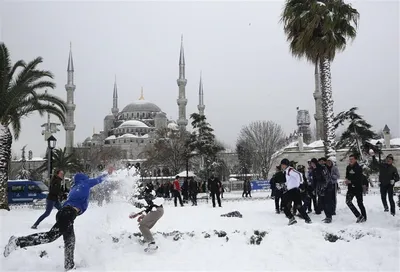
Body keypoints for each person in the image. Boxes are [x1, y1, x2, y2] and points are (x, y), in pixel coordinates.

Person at [4, 166, 115, 271]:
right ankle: (18, 241)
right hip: (68, 214)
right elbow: (98, 179)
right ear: (84, 178)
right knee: (50, 237)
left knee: (70, 240)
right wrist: (108, 173)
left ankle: (69, 265)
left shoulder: (75, 187)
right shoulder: (85, 183)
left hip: (65, 213)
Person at [129, 183, 164, 251]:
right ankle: (146, 239)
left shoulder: (148, 194)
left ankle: (152, 243)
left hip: (157, 210)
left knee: (142, 225)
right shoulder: (151, 194)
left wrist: (138, 215)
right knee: (145, 226)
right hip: (159, 211)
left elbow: (151, 207)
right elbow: (150, 207)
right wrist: (141, 215)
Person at [280, 159, 311, 225]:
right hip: (294, 190)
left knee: (283, 204)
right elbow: (291, 180)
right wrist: (285, 185)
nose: (282, 166)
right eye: (282, 165)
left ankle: (291, 218)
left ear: (286, 165)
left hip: (293, 190)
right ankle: (307, 219)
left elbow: (299, 174)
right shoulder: (287, 171)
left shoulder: (290, 170)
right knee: (298, 206)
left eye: (283, 165)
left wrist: (301, 183)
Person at [344, 154, 367, 223]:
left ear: (355, 160)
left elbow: (359, 179)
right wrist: (346, 180)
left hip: (358, 188)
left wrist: (351, 181)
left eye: (352, 159)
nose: (350, 160)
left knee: (360, 203)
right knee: (348, 201)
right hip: (350, 188)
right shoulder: (348, 167)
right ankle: (359, 216)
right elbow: (347, 175)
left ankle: (364, 217)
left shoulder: (358, 168)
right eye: (350, 159)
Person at [310, 158, 333, 223]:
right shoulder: (314, 170)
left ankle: (329, 216)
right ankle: (327, 216)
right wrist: (314, 189)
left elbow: (327, 178)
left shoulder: (322, 168)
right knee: (322, 202)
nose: (312, 165)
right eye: (311, 164)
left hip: (327, 187)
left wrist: (324, 187)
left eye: (313, 163)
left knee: (326, 202)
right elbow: (314, 181)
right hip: (320, 188)